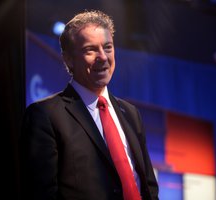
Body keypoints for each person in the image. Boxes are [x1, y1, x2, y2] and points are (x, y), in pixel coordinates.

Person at [20, 10, 158, 200]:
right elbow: (41, 193)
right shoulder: (45, 115)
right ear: (68, 59)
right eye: (90, 50)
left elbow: (148, 187)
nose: (102, 57)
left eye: (107, 47)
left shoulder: (130, 113)